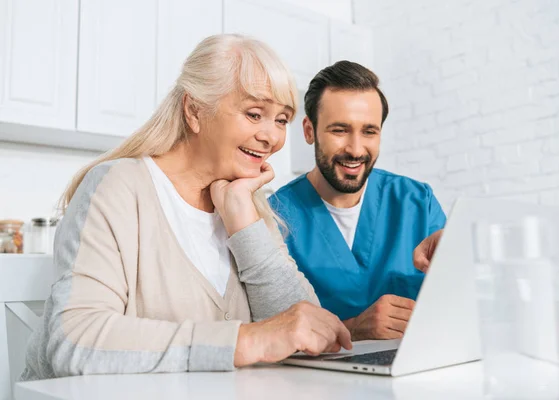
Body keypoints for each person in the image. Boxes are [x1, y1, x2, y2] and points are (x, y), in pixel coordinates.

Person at [20, 34, 352, 381]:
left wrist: (245, 224)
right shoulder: (118, 186)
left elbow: (309, 334)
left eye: (281, 119)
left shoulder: (247, 204)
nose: (271, 136)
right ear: (194, 111)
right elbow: (75, 340)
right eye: (255, 114)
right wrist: (245, 341)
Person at [269, 61, 445, 341]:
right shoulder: (276, 218)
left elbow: (458, 302)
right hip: (316, 383)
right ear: (309, 130)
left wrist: (462, 257)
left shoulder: (416, 202)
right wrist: (352, 328)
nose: (355, 149)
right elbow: (269, 332)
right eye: (339, 130)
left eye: (369, 131)